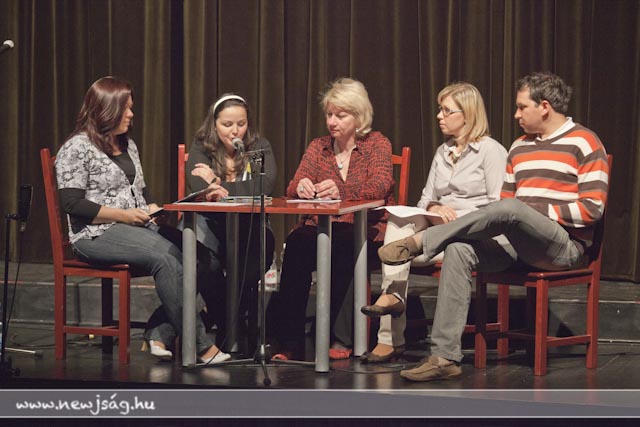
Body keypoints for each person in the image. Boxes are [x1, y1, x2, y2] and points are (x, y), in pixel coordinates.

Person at [378, 72, 609, 381]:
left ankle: (424, 241)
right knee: (459, 249)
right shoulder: (519, 147)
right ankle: (444, 357)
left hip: (561, 248)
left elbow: (592, 209)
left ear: (544, 107)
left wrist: (533, 212)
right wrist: (515, 215)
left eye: (521, 107)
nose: (516, 115)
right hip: (516, 245)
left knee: (512, 209)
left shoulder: (584, 142)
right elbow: (502, 209)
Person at [55, 76, 230, 364]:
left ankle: (159, 331)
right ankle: (200, 346)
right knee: (166, 258)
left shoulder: (127, 144)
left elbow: (140, 190)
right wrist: (124, 215)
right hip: (95, 233)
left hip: (137, 225)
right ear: (108, 109)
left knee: (203, 258)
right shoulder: (77, 148)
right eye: (126, 108)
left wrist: (154, 208)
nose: (131, 114)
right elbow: (72, 204)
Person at [359, 82, 508, 363]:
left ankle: (390, 331)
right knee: (399, 222)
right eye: (440, 109)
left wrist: (460, 218)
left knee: (401, 249)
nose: (439, 116)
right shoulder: (443, 151)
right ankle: (391, 321)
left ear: (467, 114)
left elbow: (499, 208)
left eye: (447, 111)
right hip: (435, 234)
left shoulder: (491, 151)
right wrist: (435, 207)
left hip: (471, 240)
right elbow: (425, 199)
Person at [265, 77, 395, 360]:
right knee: (297, 244)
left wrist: (342, 190)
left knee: (345, 245)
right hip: (322, 228)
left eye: (340, 115)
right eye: (329, 115)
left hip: (365, 230)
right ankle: (289, 341)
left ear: (359, 116)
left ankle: (341, 336)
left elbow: (380, 185)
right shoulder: (319, 147)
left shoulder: (376, 144)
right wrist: (301, 187)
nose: (332, 122)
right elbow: (292, 186)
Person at [184, 94, 276, 346]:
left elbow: (263, 186)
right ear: (214, 124)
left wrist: (217, 183)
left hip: (249, 225)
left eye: (241, 124)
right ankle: (228, 323)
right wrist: (219, 187)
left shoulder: (258, 147)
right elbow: (198, 186)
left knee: (256, 256)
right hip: (210, 222)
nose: (235, 131)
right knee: (199, 256)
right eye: (227, 124)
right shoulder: (202, 146)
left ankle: (221, 320)